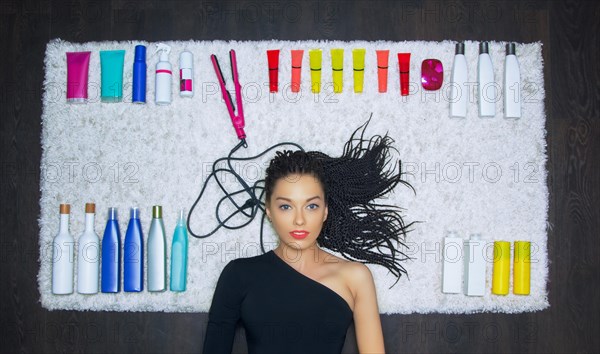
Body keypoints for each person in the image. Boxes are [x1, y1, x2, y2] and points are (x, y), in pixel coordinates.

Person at [202, 122, 414, 354]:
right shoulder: (238, 275)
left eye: (311, 206)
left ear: (325, 211)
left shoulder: (355, 277)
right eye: (286, 207)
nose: (300, 220)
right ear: (269, 211)